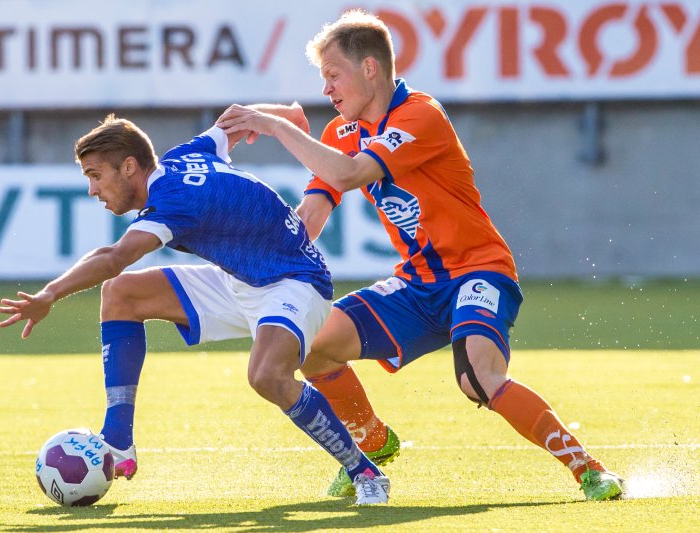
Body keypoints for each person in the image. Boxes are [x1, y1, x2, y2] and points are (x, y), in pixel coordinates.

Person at [216, 9, 625, 501]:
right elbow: (314, 213)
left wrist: (275, 126)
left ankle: (589, 470)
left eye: (332, 74)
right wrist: (257, 253)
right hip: (416, 283)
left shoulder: (420, 115)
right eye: (322, 79)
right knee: (313, 344)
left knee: (478, 378)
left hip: (478, 270)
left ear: (370, 68)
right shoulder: (340, 134)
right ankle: (370, 438)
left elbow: (348, 175)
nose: (326, 89)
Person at [0, 114, 390, 505]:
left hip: (293, 282)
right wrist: (283, 113)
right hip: (240, 279)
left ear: (129, 167)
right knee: (121, 294)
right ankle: (118, 438)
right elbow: (232, 124)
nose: (92, 189)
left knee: (267, 375)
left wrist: (50, 294)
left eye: (96, 175)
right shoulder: (186, 154)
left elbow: (114, 257)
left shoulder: (173, 201)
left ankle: (365, 472)